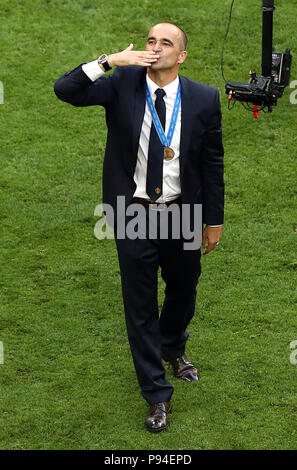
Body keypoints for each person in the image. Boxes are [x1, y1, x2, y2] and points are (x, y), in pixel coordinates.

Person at [54, 22, 224, 433]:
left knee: (184, 290)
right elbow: (66, 90)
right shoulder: (123, 83)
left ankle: (173, 346)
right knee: (141, 304)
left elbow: (212, 162)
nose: (155, 47)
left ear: (181, 56)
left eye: (166, 42)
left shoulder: (203, 97)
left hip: (182, 211)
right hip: (134, 212)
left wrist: (213, 219)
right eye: (151, 40)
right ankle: (156, 395)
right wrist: (109, 61)